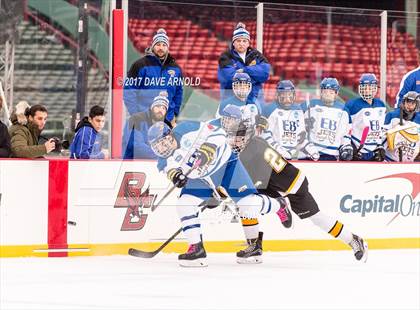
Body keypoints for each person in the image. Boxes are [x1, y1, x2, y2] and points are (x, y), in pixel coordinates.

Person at [221, 104, 368, 263]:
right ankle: (255, 245)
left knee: (316, 218)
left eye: (237, 138)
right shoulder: (252, 145)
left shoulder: (251, 151)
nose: (234, 142)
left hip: (292, 184)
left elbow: (252, 181)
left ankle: (353, 239)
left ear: (246, 136)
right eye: (232, 137)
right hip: (273, 184)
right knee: (247, 202)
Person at [147, 120, 290, 267]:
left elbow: (218, 133)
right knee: (184, 203)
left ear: (170, 136)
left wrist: (208, 149)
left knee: (248, 206)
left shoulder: (186, 128)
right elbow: (171, 171)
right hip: (203, 179)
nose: (162, 149)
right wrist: (178, 177)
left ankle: (279, 205)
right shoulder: (163, 161)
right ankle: (196, 248)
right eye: (157, 147)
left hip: (226, 165)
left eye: (163, 143)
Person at [124, 28, 183, 127]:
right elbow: (129, 90)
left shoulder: (175, 68)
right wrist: (135, 114)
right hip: (144, 119)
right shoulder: (140, 65)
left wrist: (175, 114)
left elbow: (179, 93)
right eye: (158, 44)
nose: (161, 48)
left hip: (167, 120)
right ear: (153, 46)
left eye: (164, 45)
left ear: (167, 47)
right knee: (142, 142)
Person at [263, 80, 319, 160]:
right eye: (284, 95)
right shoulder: (270, 109)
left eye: (289, 95)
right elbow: (265, 135)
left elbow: (301, 136)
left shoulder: (298, 110)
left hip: (294, 155)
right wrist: (278, 148)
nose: (287, 99)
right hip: (275, 156)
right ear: (278, 95)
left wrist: (309, 147)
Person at [218, 22, 270, 104]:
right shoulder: (225, 57)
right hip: (232, 102)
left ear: (248, 43)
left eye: (244, 41)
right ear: (233, 43)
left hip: (255, 101)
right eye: (238, 41)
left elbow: (265, 74)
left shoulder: (256, 55)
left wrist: (244, 70)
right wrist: (255, 78)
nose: (241, 43)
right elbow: (228, 78)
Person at [305, 78, 353, 161]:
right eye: (325, 91)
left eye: (331, 92)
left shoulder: (344, 110)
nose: (328, 94)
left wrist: (345, 147)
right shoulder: (312, 106)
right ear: (321, 92)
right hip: (311, 153)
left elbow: (345, 134)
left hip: (332, 154)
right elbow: (303, 130)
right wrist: (309, 148)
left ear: (336, 93)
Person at [345, 73, 387, 161]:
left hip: (373, 151)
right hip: (357, 150)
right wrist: (350, 147)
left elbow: (381, 129)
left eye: (370, 87)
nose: (367, 90)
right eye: (365, 87)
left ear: (375, 88)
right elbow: (345, 128)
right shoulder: (352, 105)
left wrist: (380, 146)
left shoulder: (381, 105)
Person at [122, 92, 169, 159]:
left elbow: (167, 147)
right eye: (158, 106)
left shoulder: (164, 128)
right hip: (132, 163)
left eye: (164, 108)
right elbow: (136, 145)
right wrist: (159, 154)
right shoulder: (136, 119)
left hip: (153, 163)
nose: (160, 110)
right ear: (151, 108)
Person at [384, 91, 420, 162]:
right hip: (389, 160)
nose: (409, 105)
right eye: (408, 102)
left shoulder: (419, 120)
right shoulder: (392, 116)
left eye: (413, 103)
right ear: (404, 102)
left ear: (417, 105)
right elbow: (382, 136)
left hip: (409, 163)